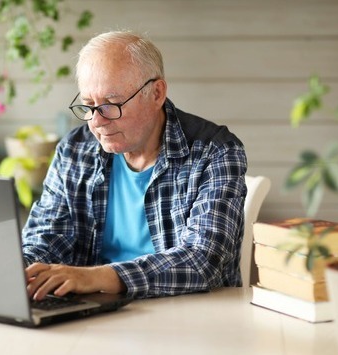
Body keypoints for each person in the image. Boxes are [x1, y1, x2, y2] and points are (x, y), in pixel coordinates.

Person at [23, 30, 248, 301]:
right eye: (88, 105)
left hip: (188, 313)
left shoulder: (215, 151)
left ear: (156, 93)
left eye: (111, 104)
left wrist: (94, 277)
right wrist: (19, 271)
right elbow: (45, 239)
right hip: (94, 312)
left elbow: (202, 261)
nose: (96, 121)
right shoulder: (74, 150)